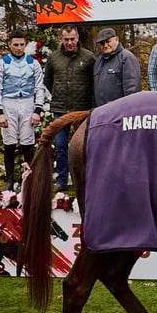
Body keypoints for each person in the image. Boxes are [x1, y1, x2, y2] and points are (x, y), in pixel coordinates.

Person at [0, 30, 47, 191]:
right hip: (8, 102)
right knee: (9, 143)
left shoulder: (32, 63)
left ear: (25, 44)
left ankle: (29, 178)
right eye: (15, 44)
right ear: (10, 44)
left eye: (21, 44)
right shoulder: (2, 63)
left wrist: (37, 110)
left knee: (27, 143)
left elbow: (40, 88)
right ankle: (9, 181)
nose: (18, 48)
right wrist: (0, 112)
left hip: (28, 102)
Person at [44, 24, 95, 192]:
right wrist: (59, 94)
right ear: (61, 39)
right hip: (60, 108)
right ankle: (62, 179)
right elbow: (48, 81)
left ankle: (85, 178)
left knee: (84, 146)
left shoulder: (88, 57)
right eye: (66, 40)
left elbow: (94, 81)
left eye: (72, 39)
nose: (69, 43)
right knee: (60, 145)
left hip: (82, 109)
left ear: (77, 38)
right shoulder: (53, 58)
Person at [92, 28, 141, 107]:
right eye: (101, 43)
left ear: (116, 39)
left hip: (120, 112)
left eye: (108, 41)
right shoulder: (98, 61)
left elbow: (132, 90)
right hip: (101, 112)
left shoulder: (126, 58)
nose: (105, 45)